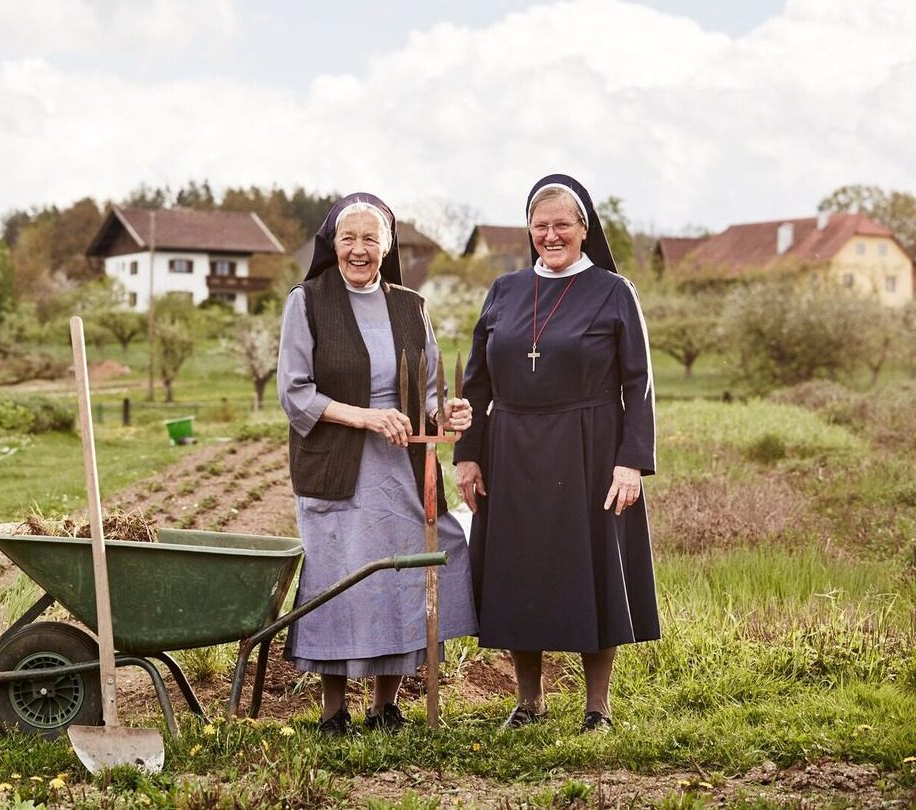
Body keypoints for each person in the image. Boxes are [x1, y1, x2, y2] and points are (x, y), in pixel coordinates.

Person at [453, 174, 658, 733]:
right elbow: (476, 384)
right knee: (519, 572)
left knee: (592, 571)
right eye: (540, 225)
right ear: (528, 230)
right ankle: (529, 700)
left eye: (561, 224)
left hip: (590, 450)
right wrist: (468, 455)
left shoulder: (615, 291)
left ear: (583, 229)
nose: (550, 234)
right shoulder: (504, 290)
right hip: (511, 449)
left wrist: (631, 460)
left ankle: (597, 708)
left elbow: (638, 382)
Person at [278, 192, 478, 736]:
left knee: (404, 575)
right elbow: (296, 394)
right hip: (338, 465)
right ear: (332, 244)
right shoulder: (309, 301)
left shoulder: (411, 306)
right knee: (339, 578)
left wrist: (447, 412)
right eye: (349, 239)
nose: (359, 249)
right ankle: (333, 711)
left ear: (387, 247)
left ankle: (386, 704)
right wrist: (366, 417)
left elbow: (429, 388)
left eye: (371, 239)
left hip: (403, 467)